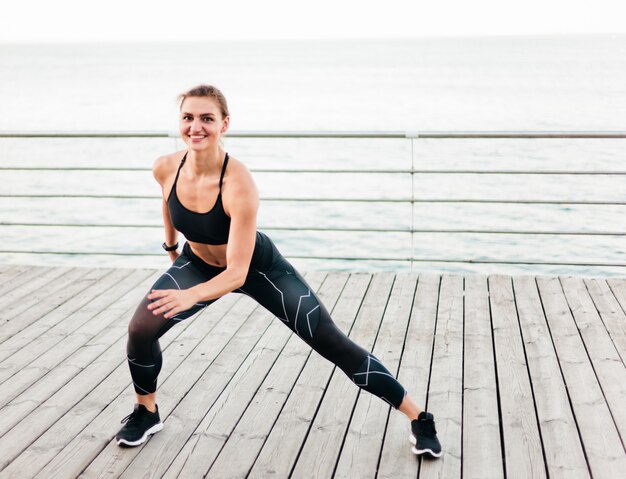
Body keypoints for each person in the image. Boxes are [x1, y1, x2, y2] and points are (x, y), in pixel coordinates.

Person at [115, 84, 442, 458]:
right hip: (199, 263)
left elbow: (237, 273)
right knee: (140, 329)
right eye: (188, 118)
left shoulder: (238, 183)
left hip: (256, 266)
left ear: (224, 124)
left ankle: (419, 417)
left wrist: (189, 294)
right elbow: (167, 203)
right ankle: (147, 410)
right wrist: (172, 249)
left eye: (207, 118)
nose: (196, 127)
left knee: (331, 341)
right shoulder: (165, 167)